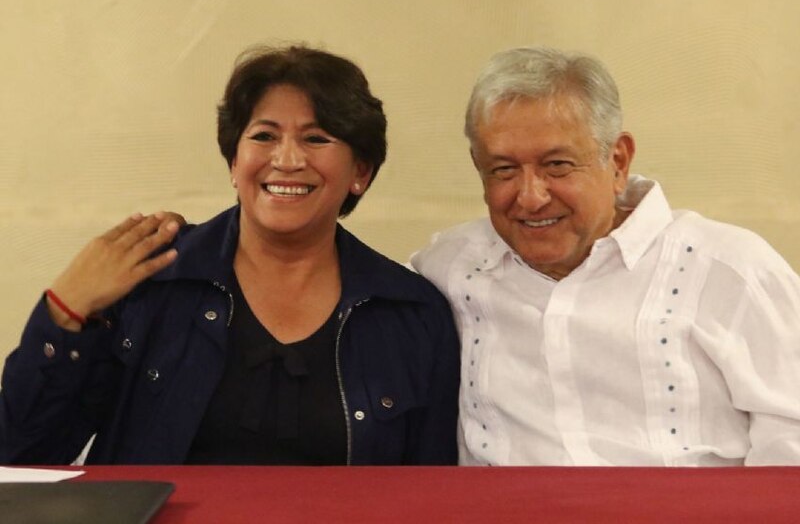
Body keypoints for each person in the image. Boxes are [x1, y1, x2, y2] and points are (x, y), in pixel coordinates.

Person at [0, 45, 460, 465]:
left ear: (360, 171)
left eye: (316, 139)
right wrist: (66, 311)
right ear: (233, 163)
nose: (287, 159)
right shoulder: (150, 281)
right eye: (263, 136)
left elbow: (429, 495)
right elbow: (21, 453)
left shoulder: (412, 314)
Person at [411, 46, 800, 466]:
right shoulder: (450, 269)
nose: (530, 197)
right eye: (503, 169)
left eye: (557, 165)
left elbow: (790, 450)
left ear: (617, 161)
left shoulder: (731, 272)